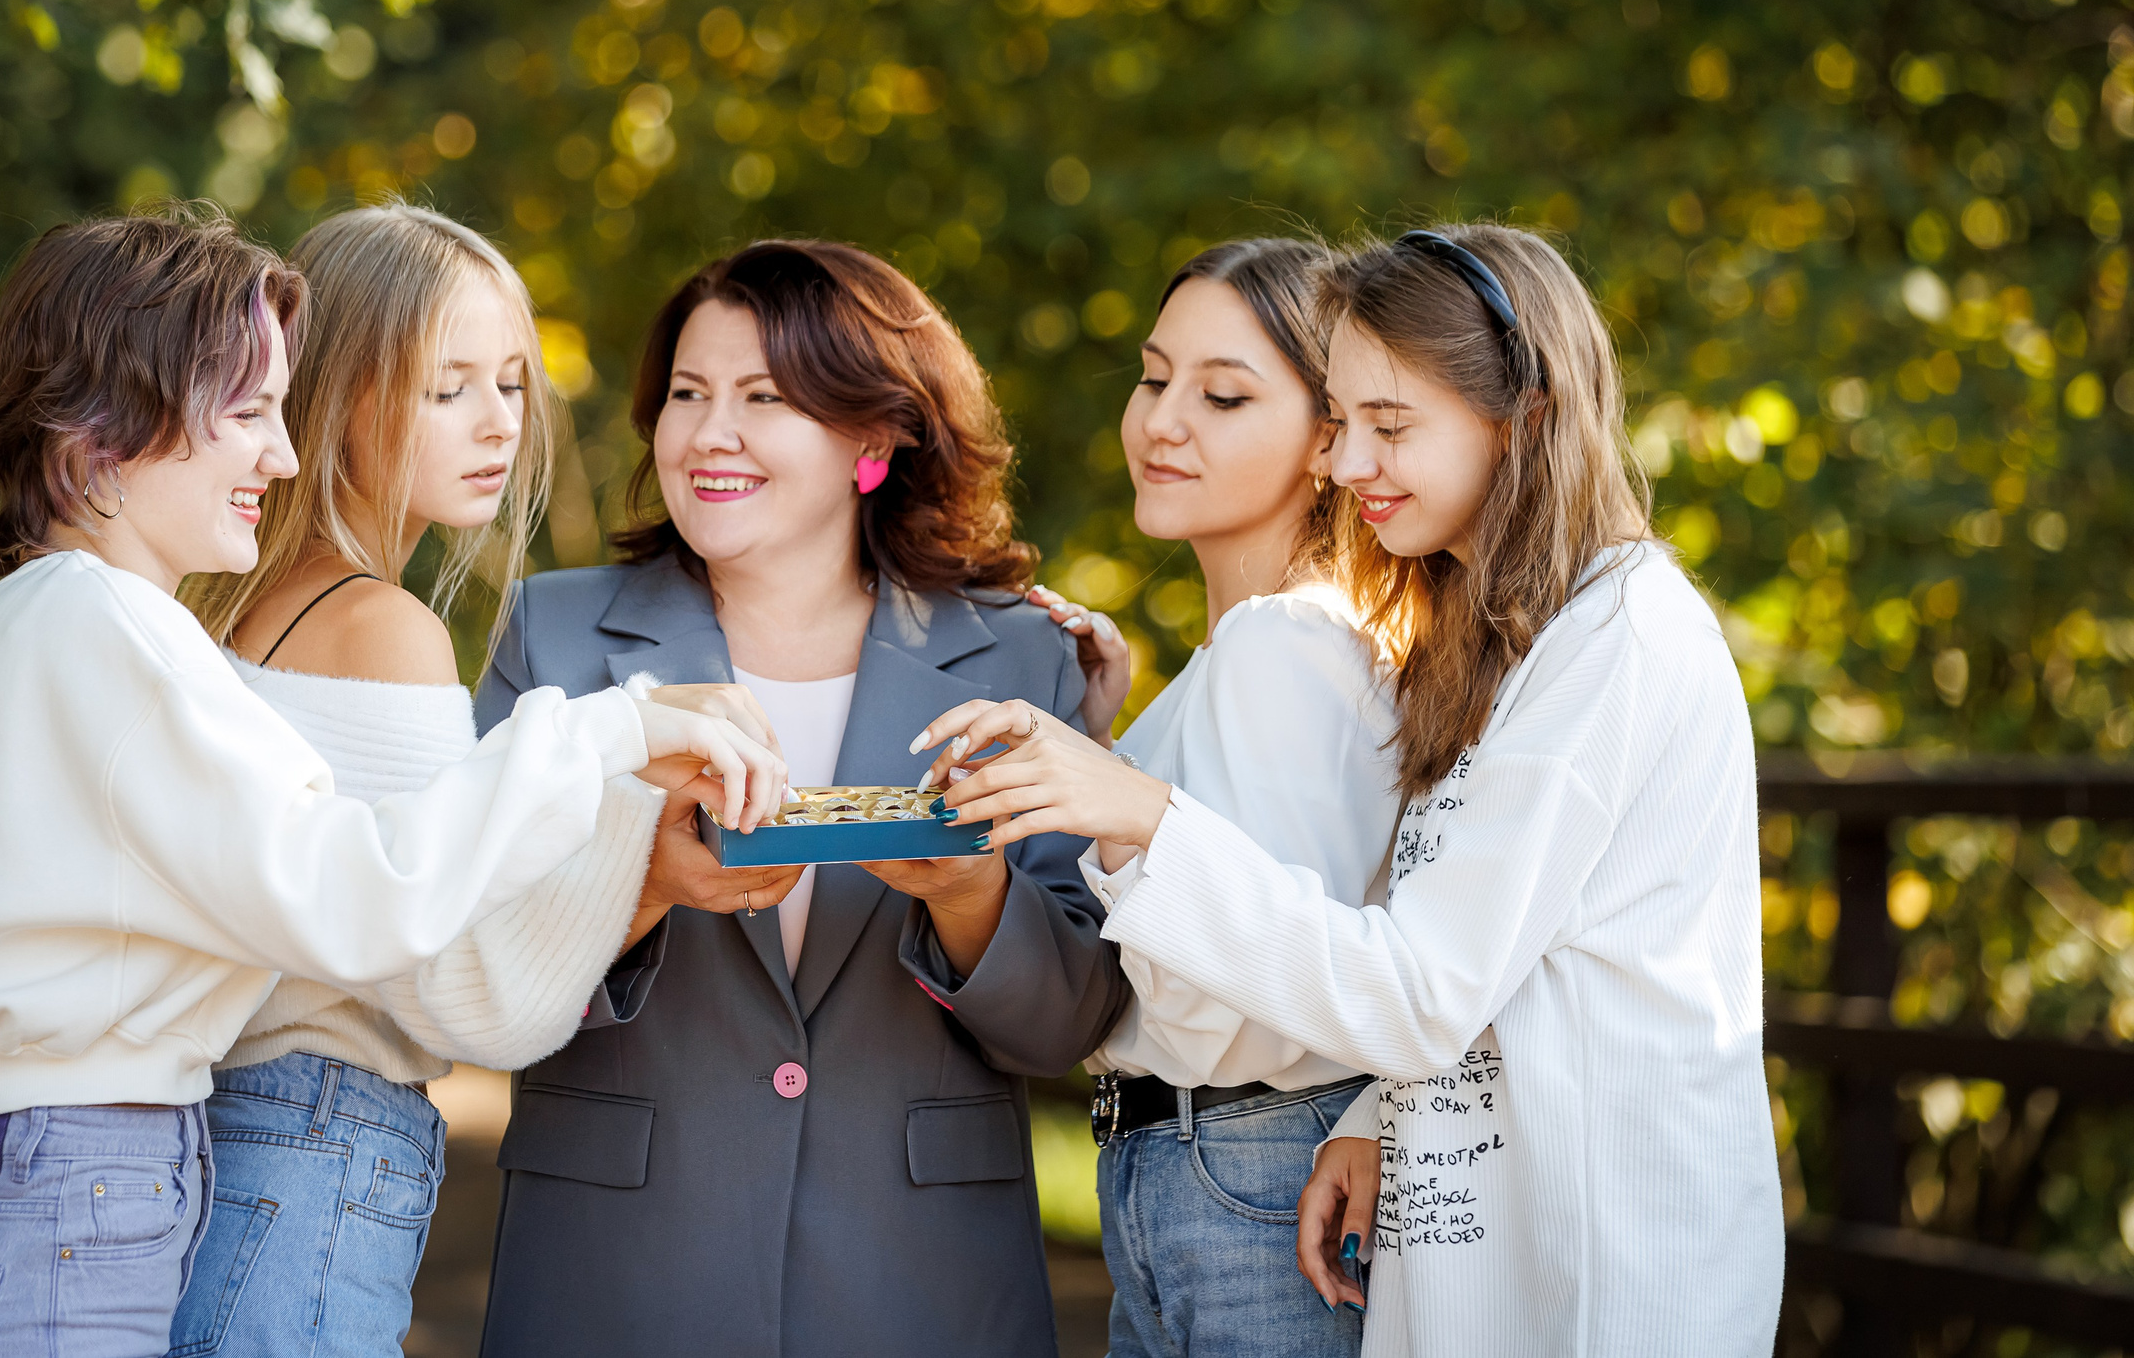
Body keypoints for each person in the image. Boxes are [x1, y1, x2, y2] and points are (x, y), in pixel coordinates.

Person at [0, 210, 781, 1358]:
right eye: (248, 413)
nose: (279, 451)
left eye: (513, 383)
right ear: (107, 431)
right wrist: (623, 761)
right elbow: (380, 911)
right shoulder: (135, 630)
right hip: (150, 1165)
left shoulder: (31, 624)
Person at [917, 224, 1784, 1357]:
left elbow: (1421, 991)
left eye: (1391, 425)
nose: (1346, 463)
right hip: (1480, 1241)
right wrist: (1374, 1113)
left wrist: (1138, 812)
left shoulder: (1619, 636)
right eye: (1343, 421)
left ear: (1523, 417)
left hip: (1609, 1264)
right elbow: (1486, 953)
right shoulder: (1514, 647)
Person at [473, 240, 1131, 1358]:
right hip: (619, 1272)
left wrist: (970, 899)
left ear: (874, 435)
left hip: (919, 1284)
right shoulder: (551, 634)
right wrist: (640, 888)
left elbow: (1072, 1024)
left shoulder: (1022, 655)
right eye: (688, 394)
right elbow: (469, 967)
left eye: (764, 397)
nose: (708, 433)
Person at [168, 204, 693, 1356]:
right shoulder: (377, 626)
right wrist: (649, 851)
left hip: (234, 1138)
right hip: (315, 1134)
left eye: (510, 383)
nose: (499, 422)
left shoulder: (238, 601)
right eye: (447, 387)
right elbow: (464, 990)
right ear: (341, 396)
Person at [1027, 239, 1399, 1358]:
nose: (1162, 420)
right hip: (1212, 1171)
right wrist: (1108, 738)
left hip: (1249, 1176)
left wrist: (1112, 805)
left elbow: (1225, 1004)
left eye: (1223, 395)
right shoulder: (1260, 647)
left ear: (1329, 439)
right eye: (1154, 378)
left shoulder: (1281, 641)